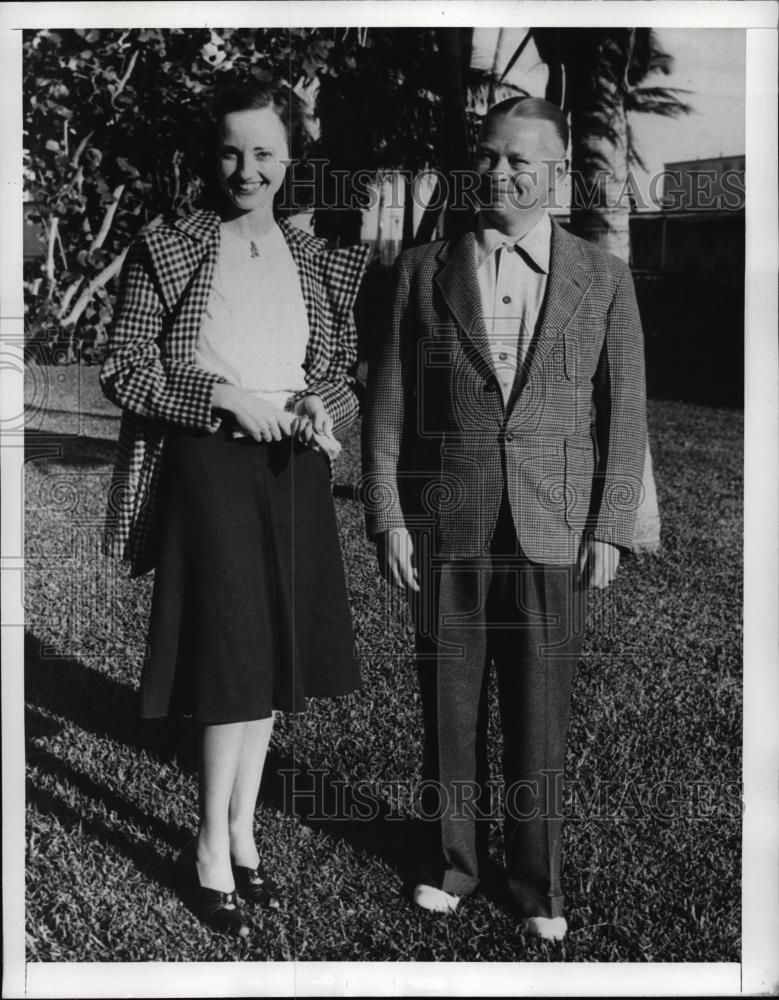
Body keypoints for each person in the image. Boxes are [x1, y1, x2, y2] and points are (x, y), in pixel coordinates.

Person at [362, 96, 648, 941]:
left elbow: (623, 406)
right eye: (487, 156)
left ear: (557, 173)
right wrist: (387, 514)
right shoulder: (422, 268)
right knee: (447, 706)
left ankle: (534, 885)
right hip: (449, 521)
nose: (501, 173)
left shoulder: (601, 275)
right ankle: (449, 864)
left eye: (522, 160)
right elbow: (388, 401)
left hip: (553, 523)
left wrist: (608, 525)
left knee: (538, 711)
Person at [101, 81, 369, 936]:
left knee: (273, 655)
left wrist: (322, 403)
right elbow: (126, 366)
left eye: (262, 152)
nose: (244, 168)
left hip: (294, 468)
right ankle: (209, 844)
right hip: (211, 467)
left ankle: (243, 832)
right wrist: (221, 397)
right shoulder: (169, 244)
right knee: (230, 654)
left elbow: (341, 367)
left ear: (291, 159)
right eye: (229, 151)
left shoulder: (311, 252)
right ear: (206, 155)